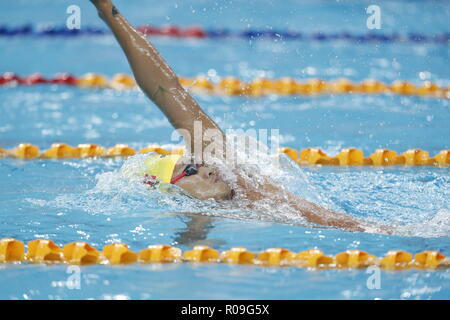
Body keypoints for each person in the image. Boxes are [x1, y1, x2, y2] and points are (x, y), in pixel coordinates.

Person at [90, 0, 376, 233]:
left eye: (197, 161)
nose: (207, 168)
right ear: (174, 192)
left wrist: (106, 9)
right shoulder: (195, 211)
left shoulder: (232, 171)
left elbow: (165, 90)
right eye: (191, 172)